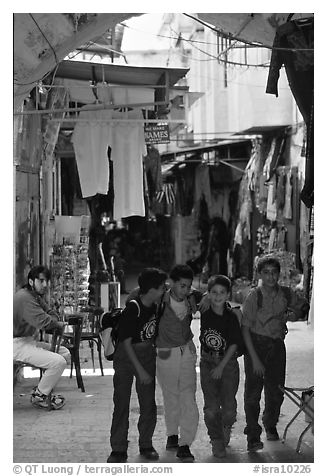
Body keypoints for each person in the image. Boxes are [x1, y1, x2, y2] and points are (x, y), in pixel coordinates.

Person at [241, 256, 309, 452]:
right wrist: (254, 359)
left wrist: (293, 314)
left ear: (279, 274)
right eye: (266, 272)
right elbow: (245, 329)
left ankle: (270, 424)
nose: (271, 276)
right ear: (259, 274)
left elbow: (300, 308)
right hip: (256, 346)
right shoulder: (255, 296)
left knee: (276, 391)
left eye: (274, 272)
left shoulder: (286, 293)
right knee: (253, 394)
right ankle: (253, 435)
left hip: (277, 346)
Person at [107, 267, 168, 464]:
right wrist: (140, 370)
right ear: (151, 290)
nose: (164, 291)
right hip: (127, 358)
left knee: (148, 404)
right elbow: (125, 342)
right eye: (161, 288)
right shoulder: (133, 308)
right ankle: (118, 448)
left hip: (147, 355)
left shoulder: (157, 306)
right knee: (122, 403)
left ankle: (146, 444)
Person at [155, 264, 200, 462]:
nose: (185, 290)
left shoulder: (192, 298)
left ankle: (185, 443)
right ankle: (172, 434)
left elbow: (212, 301)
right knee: (170, 394)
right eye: (182, 286)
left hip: (187, 350)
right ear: (171, 283)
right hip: (164, 352)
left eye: (188, 286)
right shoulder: (159, 300)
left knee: (188, 396)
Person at [13, 265, 70, 410]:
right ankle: (39, 395)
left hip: (27, 341)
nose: (46, 285)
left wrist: (54, 321)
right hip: (15, 345)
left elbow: (52, 315)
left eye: (47, 281)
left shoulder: (34, 296)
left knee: (64, 353)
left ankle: (43, 389)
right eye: (42, 281)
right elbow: (45, 322)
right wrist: (55, 322)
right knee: (58, 362)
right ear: (32, 281)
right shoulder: (24, 297)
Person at [199, 275, 244, 458]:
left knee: (228, 408)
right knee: (211, 407)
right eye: (214, 292)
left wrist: (220, 367)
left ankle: (226, 425)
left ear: (228, 294)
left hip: (227, 364)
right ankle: (216, 440)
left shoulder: (231, 316)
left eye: (222, 292)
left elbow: (234, 344)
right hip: (207, 361)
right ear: (208, 294)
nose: (218, 296)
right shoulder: (204, 310)